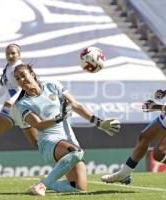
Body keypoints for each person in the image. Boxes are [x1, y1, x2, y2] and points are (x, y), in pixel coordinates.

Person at [101, 35, 166, 190]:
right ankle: (125, 173)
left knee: (159, 154)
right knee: (144, 137)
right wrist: (165, 92)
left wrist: (157, 107)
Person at [14, 63, 120, 196]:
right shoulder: (22, 104)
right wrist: (59, 118)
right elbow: (38, 125)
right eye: (17, 78)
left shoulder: (52, 85)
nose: (21, 80)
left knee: (79, 187)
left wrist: (98, 122)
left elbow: (75, 105)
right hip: (48, 144)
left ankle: (50, 183)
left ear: (32, 74)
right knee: (76, 152)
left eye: (23, 75)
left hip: (68, 139)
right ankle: (43, 185)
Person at [0, 44, 38, 159]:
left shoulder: (21, 68)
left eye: (13, 53)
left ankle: (64, 159)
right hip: (10, 111)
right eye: (8, 53)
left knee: (37, 143)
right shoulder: (7, 68)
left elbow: (23, 87)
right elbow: (4, 88)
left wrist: (12, 100)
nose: (10, 56)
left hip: (23, 110)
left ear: (19, 54)